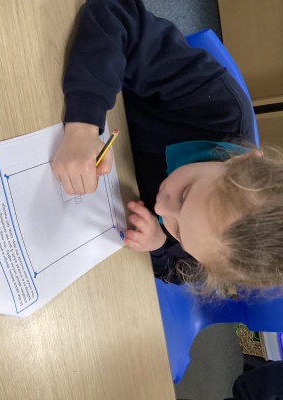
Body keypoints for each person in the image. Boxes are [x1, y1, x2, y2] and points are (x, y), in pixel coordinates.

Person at [52, 0, 283, 294]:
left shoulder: (218, 248)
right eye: (184, 194)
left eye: (179, 232)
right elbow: (116, 13)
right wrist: (84, 125)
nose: (161, 208)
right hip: (78, 96)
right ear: (241, 162)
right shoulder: (218, 104)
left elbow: (179, 270)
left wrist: (160, 242)